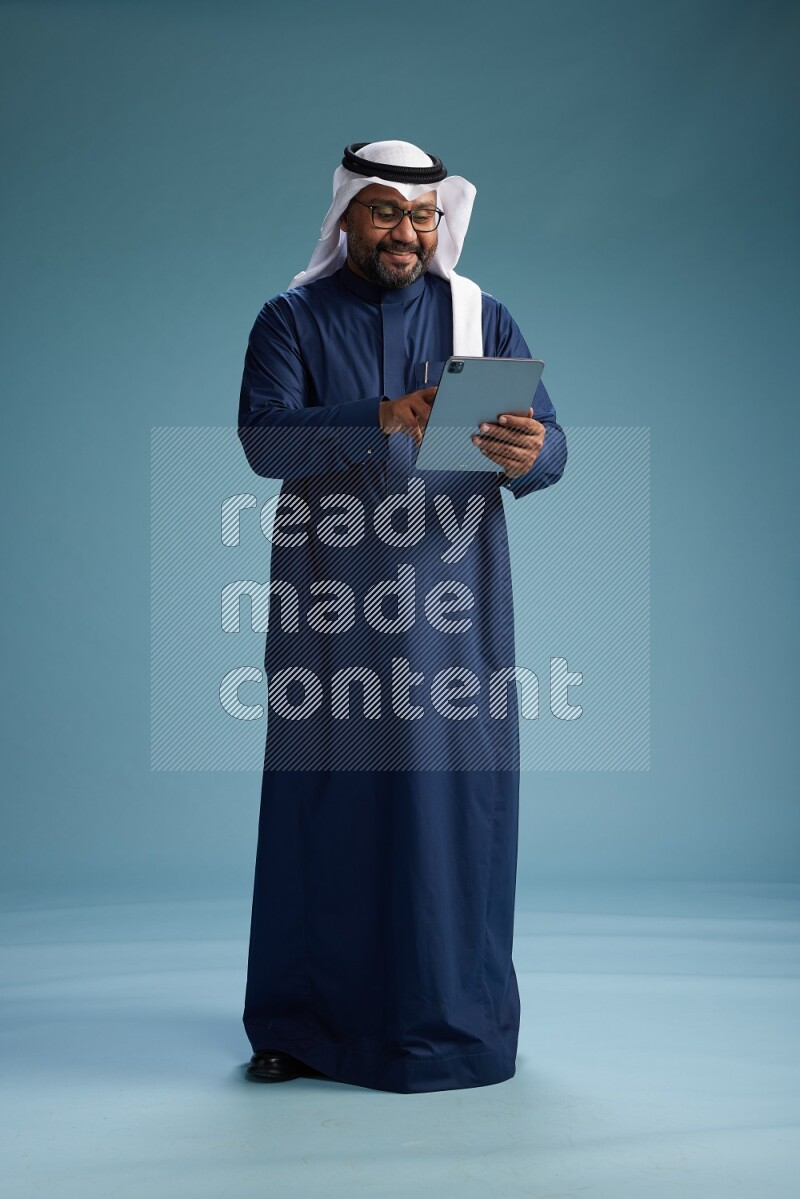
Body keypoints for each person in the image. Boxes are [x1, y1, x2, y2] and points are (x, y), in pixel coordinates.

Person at [237, 140, 567, 1093]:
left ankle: (453, 1025)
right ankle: (301, 1025)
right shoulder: (290, 319)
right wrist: (383, 414)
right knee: (323, 804)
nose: (407, 233)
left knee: (450, 809)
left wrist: (529, 449)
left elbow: (549, 452)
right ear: (345, 217)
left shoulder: (481, 315)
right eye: (385, 212)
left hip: (453, 606)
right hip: (330, 602)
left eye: (421, 216)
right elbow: (262, 438)